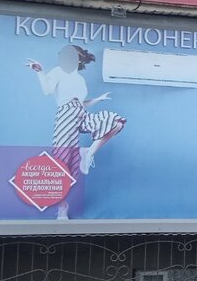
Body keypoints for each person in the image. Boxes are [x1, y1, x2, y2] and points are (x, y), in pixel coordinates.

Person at [27, 45, 126, 220]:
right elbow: (47, 90)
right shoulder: (57, 72)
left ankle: (88, 153)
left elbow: (81, 103)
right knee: (63, 163)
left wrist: (98, 99)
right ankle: (62, 207)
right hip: (65, 117)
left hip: (81, 114)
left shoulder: (80, 79)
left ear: (78, 59)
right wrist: (40, 72)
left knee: (116, 123)